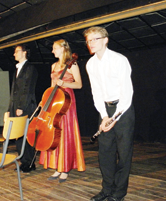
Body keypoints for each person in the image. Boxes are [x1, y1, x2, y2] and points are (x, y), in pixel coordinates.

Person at [84, 26, 135, 201]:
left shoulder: (119, 60)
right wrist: (105, 116)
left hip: (123, 110)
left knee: (124, 153)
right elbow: (96, 92)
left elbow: (126, 94)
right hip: (105, 110)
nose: (91, 43)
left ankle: (119, 193)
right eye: (89, 40)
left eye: (95, 39)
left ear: (105, 40)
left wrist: (114, 117)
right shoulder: (90, 64)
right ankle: (106, 189)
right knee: (105, 152)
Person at [39, 39, 86, 183]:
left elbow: (79, 85)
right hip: (55, 101)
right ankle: (57, 166)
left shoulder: (73, 64)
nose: (52, 51)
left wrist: (64, 83)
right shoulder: (53, 65)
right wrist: (45, 100)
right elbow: (51, 86)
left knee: (65, 132)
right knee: (54, 133)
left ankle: (65, 168)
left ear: (63, 48)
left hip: (66, 101)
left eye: (54, 48)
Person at [5, 44, 38, 172]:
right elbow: (13, 91)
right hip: (16, 106)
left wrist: (21, 107)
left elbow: (28, 89)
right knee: (18, 135)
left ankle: (30, 163)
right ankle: (23, 161)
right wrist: (9, 109)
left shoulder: (30, 68)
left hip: (25, 107)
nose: (14, 54)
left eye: (17, 51)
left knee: (26, 135)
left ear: (24, 52)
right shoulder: (16, 69)